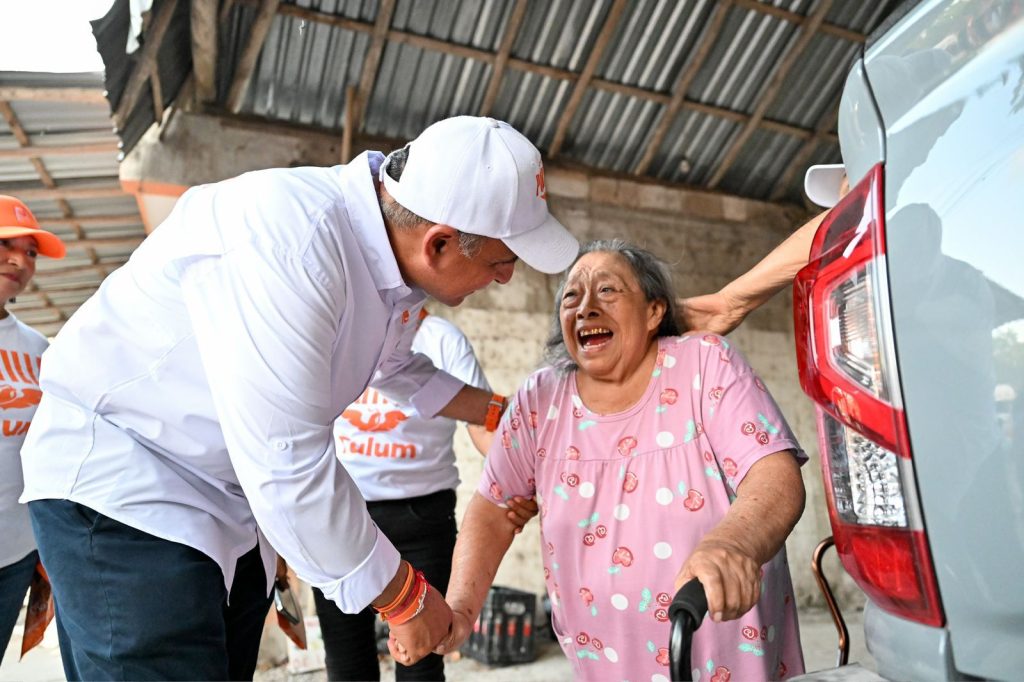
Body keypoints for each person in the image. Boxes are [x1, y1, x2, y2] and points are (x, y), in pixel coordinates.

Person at [18, 116, 579, 680]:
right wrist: (406, 599)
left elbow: (398, 367)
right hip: (131, 487)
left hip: (222, 496)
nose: (505, 279)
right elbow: (287, 462)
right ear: (439, 243)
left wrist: (493, 411)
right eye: (502, 263)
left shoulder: (392, 271)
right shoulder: (293, 243)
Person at [423, 240, 808, 680]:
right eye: (571, 296)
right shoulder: (540, 399)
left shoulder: (703, 364)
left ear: (653, 312)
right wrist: (461, 608)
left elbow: (773, 473)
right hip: (605, 663)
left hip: (724, 651)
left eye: (607, 291)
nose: (585, 307)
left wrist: (735, 542)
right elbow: (492, 508)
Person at [313, 310, 531, 681]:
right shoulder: (338, 335)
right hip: (343, 515)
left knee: (424, 653)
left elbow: (482, 421)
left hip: (421, 517)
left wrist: (519, 479)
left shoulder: (442, 339)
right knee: (347, 657)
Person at [0, 195, 65, 664]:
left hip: (16, 554)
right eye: (5, 244)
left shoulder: (39, 349)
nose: (19, 260)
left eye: (30, 252)